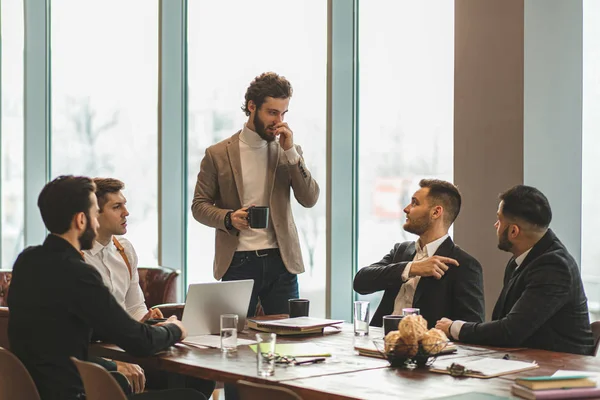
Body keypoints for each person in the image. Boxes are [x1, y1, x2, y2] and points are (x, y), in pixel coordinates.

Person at [7, 175, 204, 400]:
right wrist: (175, 329)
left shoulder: (26, 260)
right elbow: (140, 343)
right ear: (82, 220)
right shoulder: (79, 274)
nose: (97, 222)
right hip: (74, 393)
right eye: (94, 214)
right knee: (191, 397)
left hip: (33, 390)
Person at [191, 72, 320, 317]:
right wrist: (229, 218)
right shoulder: (217, 154)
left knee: (288, 341)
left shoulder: (288, 151)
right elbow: (199, 206)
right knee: (233, 340)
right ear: (252, 107)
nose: (278, 121)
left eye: (283, 114)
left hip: (281, 261)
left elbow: (310, 198)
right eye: (272, 112)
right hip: (238, 261)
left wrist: (292, 153)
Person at [82, 178, 215, 397]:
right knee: (192, 396)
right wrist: (112, 362)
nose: (126, 213)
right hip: (102, 357)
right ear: (94, 214)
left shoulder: (124, 249)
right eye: (117, 207)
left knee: (199, 377)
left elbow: (135, 307)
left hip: (127, 348)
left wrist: (148, 319)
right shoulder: (76, 261)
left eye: (125, 205)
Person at [436, 185, 594, 356]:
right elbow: (503, 324)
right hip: (528, 362)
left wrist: (454, 327)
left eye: (499, 219)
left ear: (513, 231)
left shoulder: (554, 266)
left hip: (562, 373)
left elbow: (510, 331)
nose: (495, 225)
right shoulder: (523, 260)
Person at [354, 179, 485, 329]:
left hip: (427, 349)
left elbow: (471, 327)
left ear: (436, 212)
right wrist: (411, 268)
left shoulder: (464, 265)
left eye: (415, 203)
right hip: (379, 342)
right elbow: (360, 282)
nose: (406, 209)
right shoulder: (401, 251)